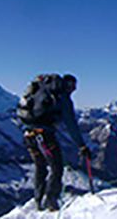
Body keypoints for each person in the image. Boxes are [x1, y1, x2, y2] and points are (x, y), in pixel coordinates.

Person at [17, 74, 90, 211]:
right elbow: (71, 124)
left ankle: (38, 200)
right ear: (68, 85)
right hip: (45, 135)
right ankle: (51, 200)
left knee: (40, 166)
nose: (73, 90)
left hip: (28, 135)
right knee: (57, 166)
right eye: (73, 87)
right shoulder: (62, 97)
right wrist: (81, 145)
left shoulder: (40, 91)